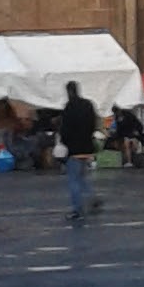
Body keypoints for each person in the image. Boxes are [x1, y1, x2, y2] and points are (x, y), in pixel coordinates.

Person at [59, 78, 99, 223]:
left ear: (68, 92)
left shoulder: (69, 107)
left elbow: (65, 129)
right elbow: (94, 124)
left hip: (74, 149)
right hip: (87, 146)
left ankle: (77, 210)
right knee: (81, 177)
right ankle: (92, 197)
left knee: (73, 180)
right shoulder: (88, 104)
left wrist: (65, 143)